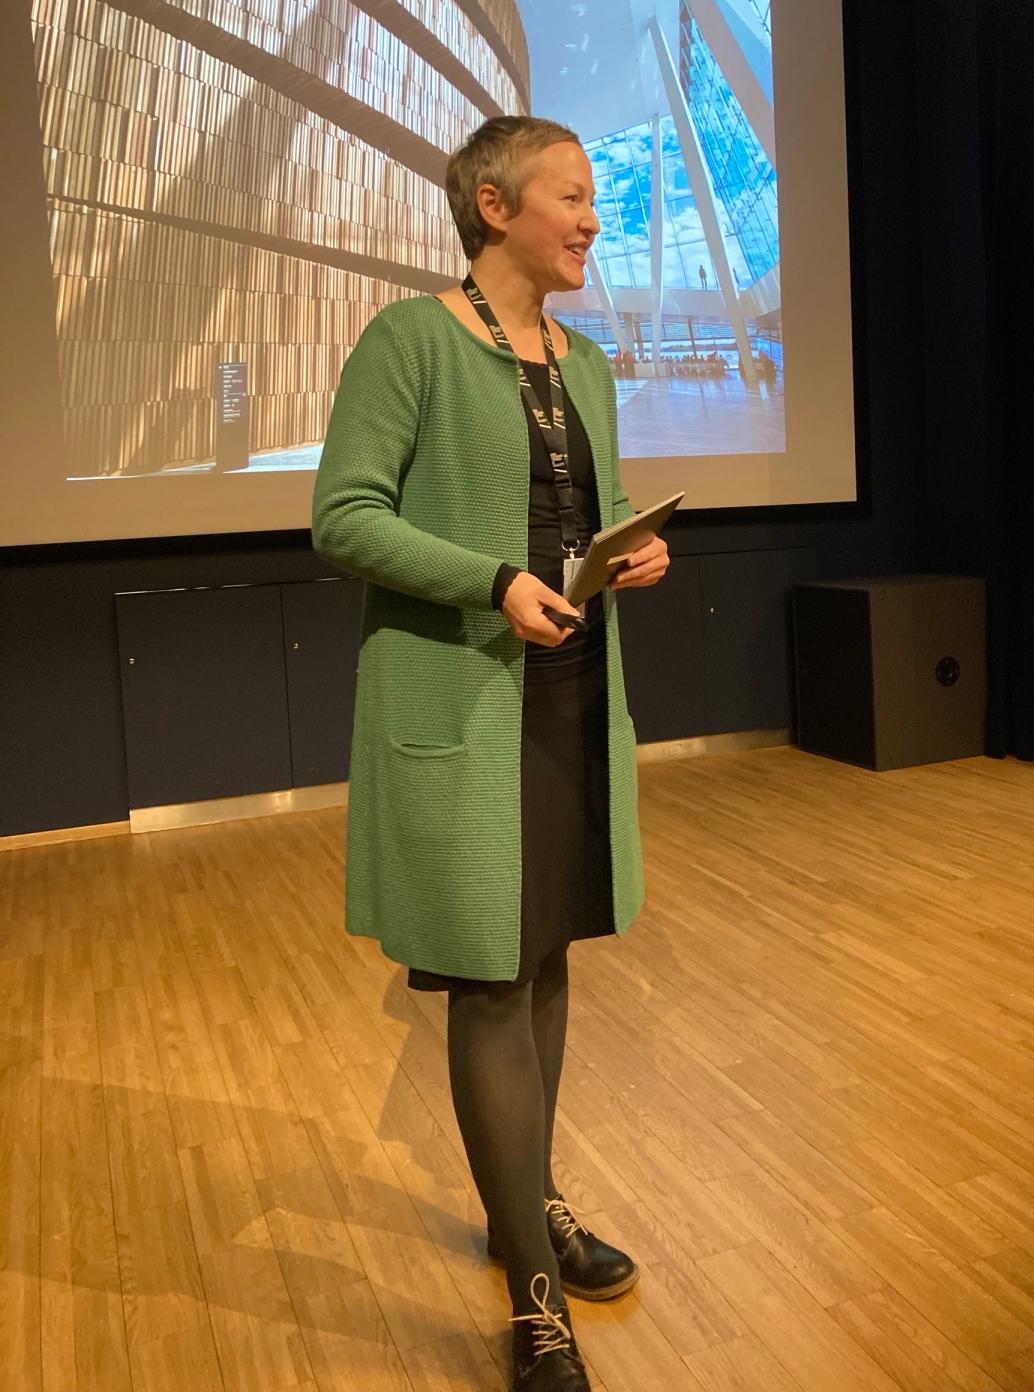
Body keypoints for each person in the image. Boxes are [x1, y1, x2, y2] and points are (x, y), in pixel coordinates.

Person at [312, 115, 670, 1391]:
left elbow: (587, 520)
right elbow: (342, 516)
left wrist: (628, 550)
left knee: (549, 955)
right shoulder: (410, 340)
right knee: (490, 979)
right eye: (571, 197)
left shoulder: (588, 362)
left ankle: (529, 1201)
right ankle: (532, 1294)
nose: (592, 220)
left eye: (593, 201)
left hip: (569, 702)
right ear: (494, 203)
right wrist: (495, 580)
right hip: (468, 711)